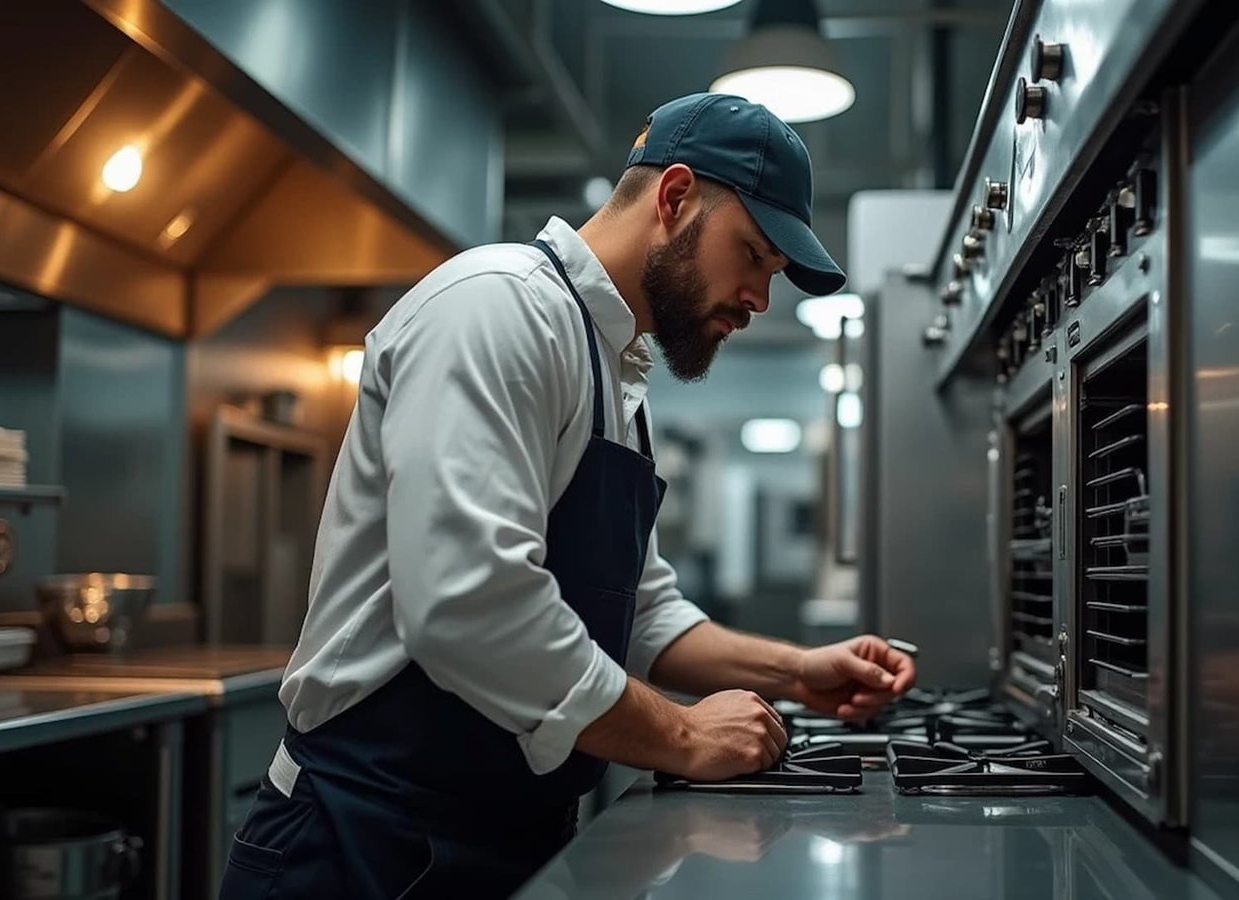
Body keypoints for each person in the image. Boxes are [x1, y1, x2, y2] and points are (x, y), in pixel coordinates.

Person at [219, 92, 917, 900]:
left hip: (498, 840)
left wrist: (796, 672)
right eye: (755, 255)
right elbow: (468, 605)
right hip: (362, 844)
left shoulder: (615, 373)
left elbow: (640, 614)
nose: (761, 298)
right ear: (676, 197)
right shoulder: (497, 308)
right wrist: (685, 732)